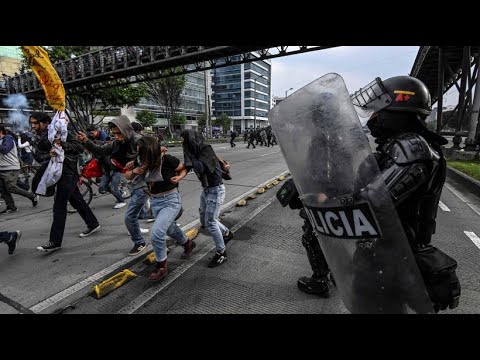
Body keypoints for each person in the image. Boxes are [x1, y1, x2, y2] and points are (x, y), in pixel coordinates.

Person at [76, 115, 149, 255]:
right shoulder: (117, 143)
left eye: (118, 132)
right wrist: (86, 141)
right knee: (150, 213)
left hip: (144, 183)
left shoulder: (138, 140)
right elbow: (100, 150)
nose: (116, 136)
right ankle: (180, 238)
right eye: (114, 133)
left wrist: (135, 164)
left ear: (126, 129)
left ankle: (140, 242)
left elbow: (151, 157)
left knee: (130, 217)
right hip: (132, 182)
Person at [29, 112, 100, 252]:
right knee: (76, 200)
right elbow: (38, 155)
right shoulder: (41, 138)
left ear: (46, 123)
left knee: (59, 206)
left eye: (36, 123)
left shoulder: (63, 131)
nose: (33, 126)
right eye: (31, 123)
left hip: (68, 172)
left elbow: (79, 148)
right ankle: (93, 223)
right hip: (54, 173)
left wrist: (62, 145)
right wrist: (48, 154)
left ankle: (55, 242)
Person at [125, 136, 192, 281]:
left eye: (141, 151)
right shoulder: (140, 161)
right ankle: (187, 243)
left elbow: (183, 168)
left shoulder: (167, 160)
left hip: (171, 200)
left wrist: (179, 178)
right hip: (155, 201)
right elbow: (128, 176)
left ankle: (161, 266)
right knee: (170, 229)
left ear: (149, 151)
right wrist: (134, 171)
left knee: (156, 232)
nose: (138, 153)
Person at [180, 129, 234, 268]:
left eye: (183, 140)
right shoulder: (197, 151)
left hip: (215, 190)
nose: (182, 143)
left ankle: (221, 253)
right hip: (207, 190)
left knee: (210, 222)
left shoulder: (205, 149)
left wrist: (188, 154)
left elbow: (199, 166)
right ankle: (226, 233)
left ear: (190, 140)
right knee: (205, 220)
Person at [276, 178, 335, 297]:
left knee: (312, 239)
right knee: (339, 235)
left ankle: (320, 281)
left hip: (329, 196)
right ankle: (339, 274)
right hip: (347, 193)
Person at [0, 125, 38, 214]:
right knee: (2, 189)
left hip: (10, 168)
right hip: (1, 168)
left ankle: (31, 196)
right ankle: (11, 207)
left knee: (11, 188)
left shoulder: (8, 139)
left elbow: (5, 149)